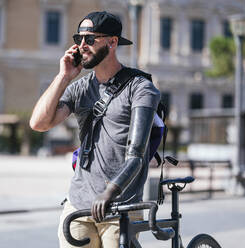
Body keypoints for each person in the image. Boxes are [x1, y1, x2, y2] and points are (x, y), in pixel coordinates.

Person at [29, 11, 161, 248]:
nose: (81, 46)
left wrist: (108, 193)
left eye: (90, 40)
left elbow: (137, 156)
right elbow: (39, 123)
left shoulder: (141, 88)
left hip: (121, 207)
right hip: (78, 205)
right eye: (78, 39)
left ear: (112, 42)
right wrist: (63, 76)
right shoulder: (80, 88)